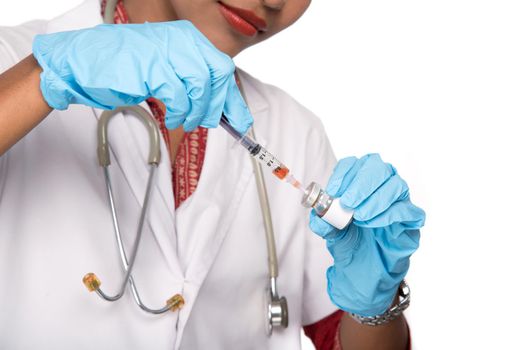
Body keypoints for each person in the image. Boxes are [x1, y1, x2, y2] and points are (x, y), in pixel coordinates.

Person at [0, 0, 425, 349]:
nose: (274, 1)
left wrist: (374, 306)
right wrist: (42, 79)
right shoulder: (14, 60)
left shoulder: (295, 131)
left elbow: (340, 338)